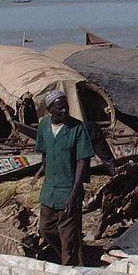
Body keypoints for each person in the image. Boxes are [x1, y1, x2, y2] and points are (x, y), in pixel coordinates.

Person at [34, 90, 95, 266]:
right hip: (50, 191)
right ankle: (67, 255)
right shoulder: (44, 126)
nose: (65, 111)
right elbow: (45, 154)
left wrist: (75, 192)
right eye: (60, 109)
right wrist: (41, 174)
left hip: (68, 189)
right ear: (50, 110)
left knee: (68, 237)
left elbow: (82, 161)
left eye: (66, 107)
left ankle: (70, 269)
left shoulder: (77, 128)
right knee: (45, 229)